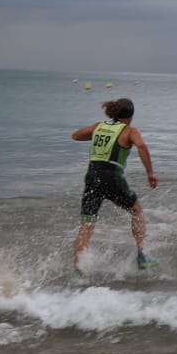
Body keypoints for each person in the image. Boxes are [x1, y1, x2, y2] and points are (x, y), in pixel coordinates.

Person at [72, 97, 158, 274]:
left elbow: (76, 135)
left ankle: (78, 269)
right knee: (137, 210)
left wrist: (97, 135)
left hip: (92, 176)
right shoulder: (130, 130)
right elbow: (141, 146)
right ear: (130, 116)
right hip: (112, 176)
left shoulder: (98, 126)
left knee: (86, 224)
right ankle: (141, 255)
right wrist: (150, 173)